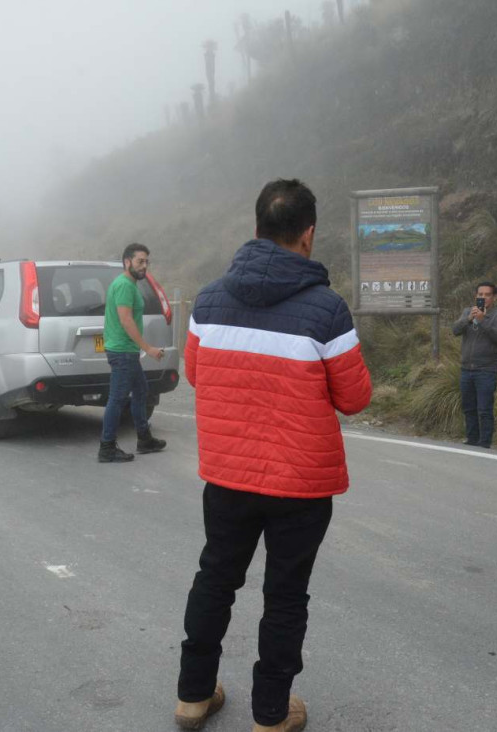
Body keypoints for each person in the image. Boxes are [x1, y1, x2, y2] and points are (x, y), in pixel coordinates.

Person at [174, 179, 371, 732]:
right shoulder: (326, 310)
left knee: (215, 577)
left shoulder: (209, 300)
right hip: (301, 485)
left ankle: (192, 696)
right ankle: (270, 714)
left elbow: (196, 372)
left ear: (255, 228)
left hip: (228, 476)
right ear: (307, 236)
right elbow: (355, 398)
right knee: (285, 594)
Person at [98, 243, 167, 463]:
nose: (144, 265)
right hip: (122, 351)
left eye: (146, 261)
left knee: (141, 392)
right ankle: (107, 448)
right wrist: (148, 349)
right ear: (127, 262)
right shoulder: (125, 285)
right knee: (117, 399)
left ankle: (144, 439)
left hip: (127, 350)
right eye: (140, 261)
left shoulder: (129, 284)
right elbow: (126, 320)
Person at [451, 281, 497, 447]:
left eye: (487, 295)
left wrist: (483, 320)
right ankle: (471, 439)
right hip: (466, 368)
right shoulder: (468, 311)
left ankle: (485, 442)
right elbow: (455, 330)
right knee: (469, 408)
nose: (483, 298)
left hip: (486, 370)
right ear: (476, 296)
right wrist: (469, 319)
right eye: (480, 295)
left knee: (484, 409)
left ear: (494, 297)